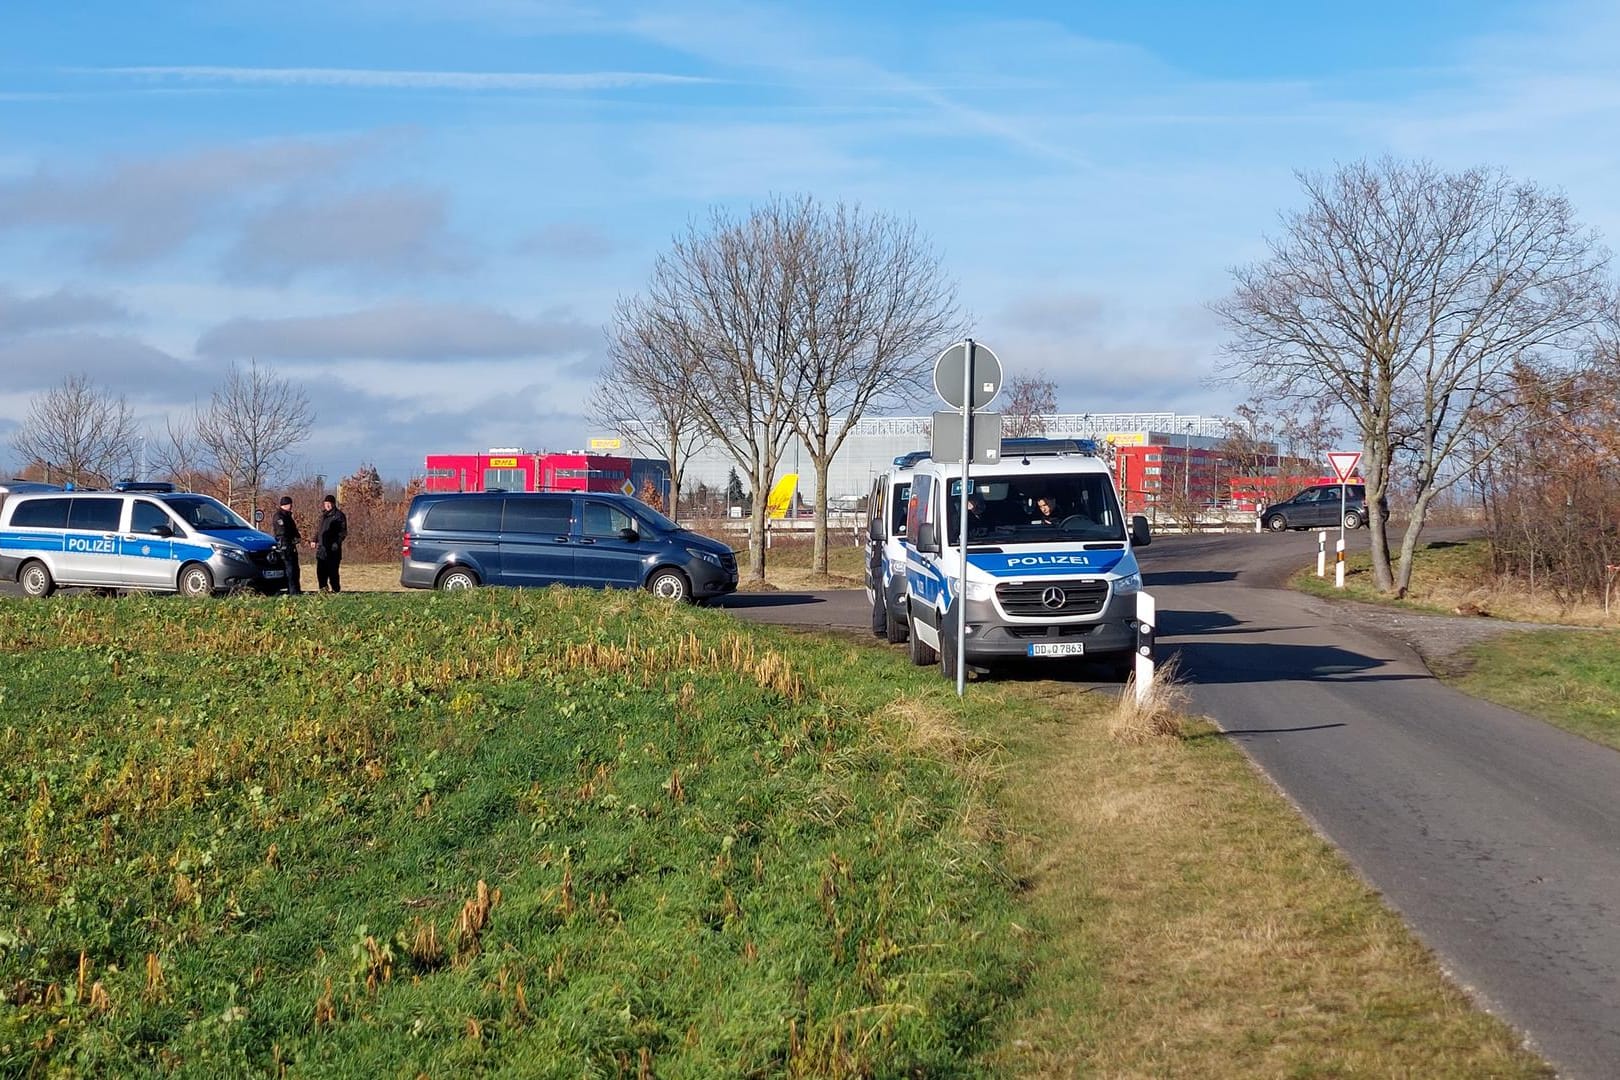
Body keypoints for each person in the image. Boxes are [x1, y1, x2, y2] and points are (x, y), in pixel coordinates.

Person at [313, 494, 348, 593]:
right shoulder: (323, 516)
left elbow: (343, 532)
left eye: (329, 503)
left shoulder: (339, 516)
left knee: (332, 571)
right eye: (326, 503)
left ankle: (335, 590)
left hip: (333, 549)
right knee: (321, 571)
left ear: (333, 504)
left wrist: (336, 543)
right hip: (322, 548)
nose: (327, 505)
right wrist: (314, 539)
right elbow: (319, 530)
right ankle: (323, 589)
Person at [272, 496, 302, 596]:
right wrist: (291, 539)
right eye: (289, 504)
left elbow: (293, 530)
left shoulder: (288, 516)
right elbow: (282, 532)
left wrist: (297, 537)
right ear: (284, 505)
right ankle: (292, 591)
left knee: (295, 569)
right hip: (285, 546)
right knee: (289, 570)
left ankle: (296, 590)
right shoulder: (279, 516)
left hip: (291, 546)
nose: (291, 506)